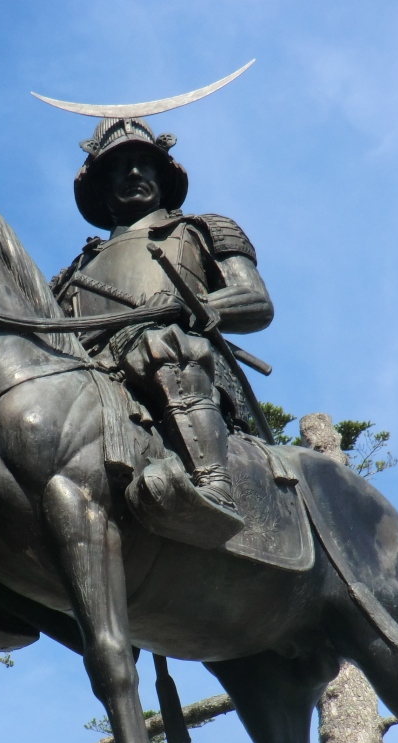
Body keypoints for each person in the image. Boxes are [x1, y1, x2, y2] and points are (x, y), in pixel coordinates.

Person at [51, 117, 274, 535]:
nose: (133, 172)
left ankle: (213, 483)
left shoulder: (199, 231)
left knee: (164, 346)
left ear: (162, 173)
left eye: (144, 163)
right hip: (98, 378)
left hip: (178, 361)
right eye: (119, 166)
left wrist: (189, 305)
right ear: (101, 185)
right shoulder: (72, 275)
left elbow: (256, 302)